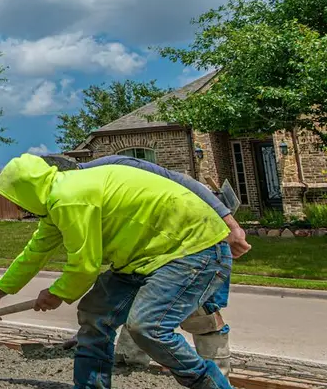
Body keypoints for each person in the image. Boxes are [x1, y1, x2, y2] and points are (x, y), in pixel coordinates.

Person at [0, 154, 254, 389]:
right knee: (96, 313)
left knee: (149, 327)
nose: (17, 206)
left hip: (191, 249)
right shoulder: (57, 200)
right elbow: (33, 254)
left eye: (15, 199)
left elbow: (84, 267)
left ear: (25, 191)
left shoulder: (70, 196)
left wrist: (56, 293)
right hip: (143, 256)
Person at [74, 155, 249, 372]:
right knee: (140, 303)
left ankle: (218, 374)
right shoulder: (73, 198)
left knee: (202, 312)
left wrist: (230, 224)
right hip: (147, 248)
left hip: (192, 238)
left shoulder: (115, 167)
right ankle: (129, 362)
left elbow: (187, 183)